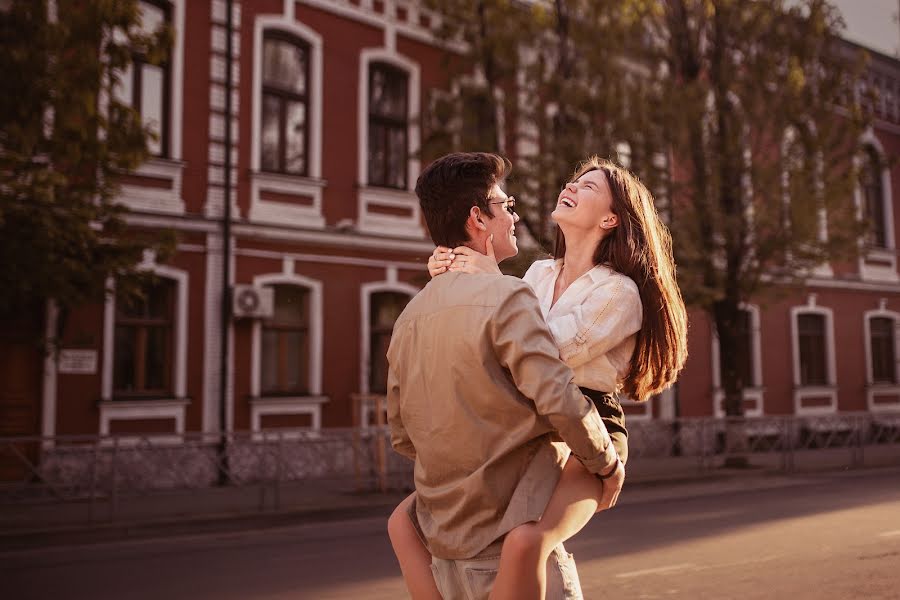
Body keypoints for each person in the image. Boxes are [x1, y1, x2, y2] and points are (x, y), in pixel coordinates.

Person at [390, 155, 689, 600]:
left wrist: (488, 285)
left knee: (527, 540)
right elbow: (506, 342)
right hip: (533, 415)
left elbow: (546, 356)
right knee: (402, 521)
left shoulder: (618, 291)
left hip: (589, 416)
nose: (571, 186)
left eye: (589, 187)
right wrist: (466, 289)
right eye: (573, 179)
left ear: (611, 218)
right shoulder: (538, 272)